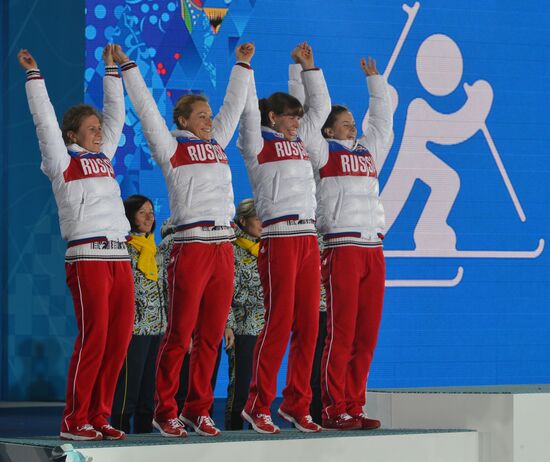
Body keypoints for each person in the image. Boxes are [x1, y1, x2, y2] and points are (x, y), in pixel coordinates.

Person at [115, 43, 255, 437]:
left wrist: (242, 66)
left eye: (210, 117)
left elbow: (233, 106)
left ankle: (199, 409)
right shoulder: (171, 147)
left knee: (211, 336)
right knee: (179, 335)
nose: (210, 121)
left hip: (223, 246)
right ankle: (165, 410)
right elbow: (144, 109)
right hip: (190, 247)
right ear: (182, 119)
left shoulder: (217, 143)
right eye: (201, 116)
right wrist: (128, 67)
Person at [19, 46, 134, 441]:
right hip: (87, 256)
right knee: (95, 336)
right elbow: (45, 123)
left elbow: (116, 114)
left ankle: (100, 415)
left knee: (118, 341)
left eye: (100, 128)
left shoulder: (105, 156)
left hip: (120, 255)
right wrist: (35, 76)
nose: (100, 131)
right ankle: (74, 419)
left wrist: (110, 69)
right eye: (91, 127)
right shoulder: (61, 160)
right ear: (72, 135)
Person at [288, 56, 392, 430]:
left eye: (353, 124)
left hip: (372, 248)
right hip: (341, 247)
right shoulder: (323, 153)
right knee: (342, 331)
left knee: (366, 335)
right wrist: (307, 72)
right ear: (329, 132)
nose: (352, 129)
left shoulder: (368, 153)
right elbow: (309, 120)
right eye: (345, 125)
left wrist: (375, 82)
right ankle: (334, 407)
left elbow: (383, 124)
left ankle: (355, 404)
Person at [237, 42, 331, 434]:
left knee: (310, 324)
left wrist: (309, 67)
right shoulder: (255, 143)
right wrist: (245, 66)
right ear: (272, 116)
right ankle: (257, 405)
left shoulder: (302, 141)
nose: (297, 121)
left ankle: (297, 404)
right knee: (279, 322)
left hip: (308, 238)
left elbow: (321, 108)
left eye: (298, 117)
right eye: (290, 116)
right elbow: (244, 113)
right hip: (277, 237)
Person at [111, 195, 166, 434]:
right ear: (130, 216)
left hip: (156, 328)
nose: (149, 217)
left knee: (149, 390)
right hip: (133, 329)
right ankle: (119, 431)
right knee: (128, 388)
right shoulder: (124, 248)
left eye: (151, 212)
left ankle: (145, 439)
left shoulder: (156, 249)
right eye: (142, 212)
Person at [224, 199, 265, 430]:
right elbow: (224, 293)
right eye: (258, 218)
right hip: (242, 327)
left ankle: (256, 433)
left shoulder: (267, 247)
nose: (262, 224)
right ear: (242, 220)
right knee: (240, 385)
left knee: (261, 386)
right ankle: (233, 434)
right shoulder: (232, 249)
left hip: (265, 327)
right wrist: (227, 324)